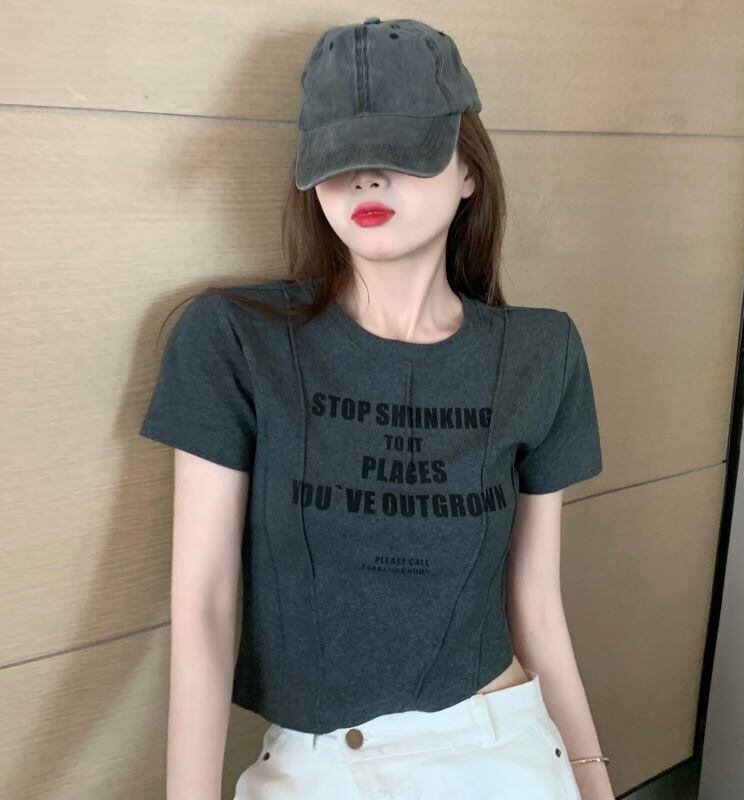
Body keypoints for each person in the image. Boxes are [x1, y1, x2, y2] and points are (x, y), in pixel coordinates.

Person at [139, 17, 613, 800]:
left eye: (401, 152)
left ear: (470, 170)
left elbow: (535, 606)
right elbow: (205, 605)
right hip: (320, 764)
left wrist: (592, 781)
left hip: (501, 747)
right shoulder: (235, 340)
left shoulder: (540, 352)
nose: (365, 180)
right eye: (340, 159)